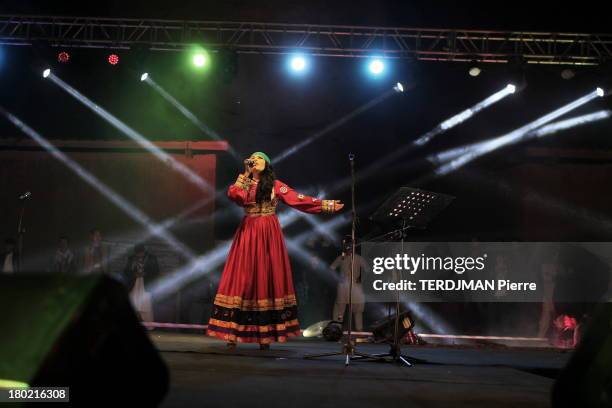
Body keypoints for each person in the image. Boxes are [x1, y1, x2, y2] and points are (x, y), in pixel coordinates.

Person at [207, 152, 344, 350]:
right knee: (243, 278)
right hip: (248, 233)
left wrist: (325, 205)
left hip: (268, 234)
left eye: (260, 158)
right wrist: (246, 174)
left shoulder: (275, 185)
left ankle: (266, 335)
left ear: (267, 164)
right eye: (253, 158)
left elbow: (299, 199)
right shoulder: (245, 181)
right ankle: (232, 332)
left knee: (266, 277)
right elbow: (234, 195)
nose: (256, 160)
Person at [330, 236, 367, 331]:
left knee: (358, 310)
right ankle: (336, 328)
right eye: (347, 245)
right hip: (343, 286)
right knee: (340, 309)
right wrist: (338, 278)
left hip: (356, 286)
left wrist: (361, 278)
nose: (349, 248)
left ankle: (359, 329)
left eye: (350, 245)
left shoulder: (359, 258)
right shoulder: (341, 258)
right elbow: (331, 269)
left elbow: (367, 270)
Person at [123, 244, 160, 324]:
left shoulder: (151, 258)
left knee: (146, 305)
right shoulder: (131, 258)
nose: (139, 255)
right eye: (138, 253)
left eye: (141, 253)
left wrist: (145, 274)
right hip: (134, 284)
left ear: (144, 251)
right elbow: (125, 271)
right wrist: (134, 274)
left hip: (146, 284)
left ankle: (147, 325)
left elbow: (156, 271)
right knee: (133, 303)